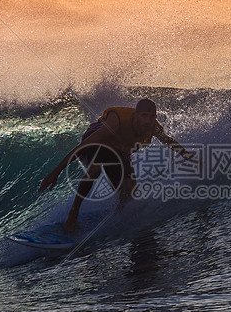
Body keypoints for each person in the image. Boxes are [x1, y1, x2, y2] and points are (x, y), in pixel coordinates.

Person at [39, 98, 196, 232]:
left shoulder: (154, 127)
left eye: (152, 116)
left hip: (119, 150)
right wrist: (56, 172)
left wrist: (191, 159)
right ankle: (73, 213)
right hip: (98, 142)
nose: (148, 120)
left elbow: (168, 141)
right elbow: (84, 146)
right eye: (144, 116)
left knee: (130, 192)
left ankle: (118, 216)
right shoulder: (116, 122)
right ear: (136, 115)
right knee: (95, 170)